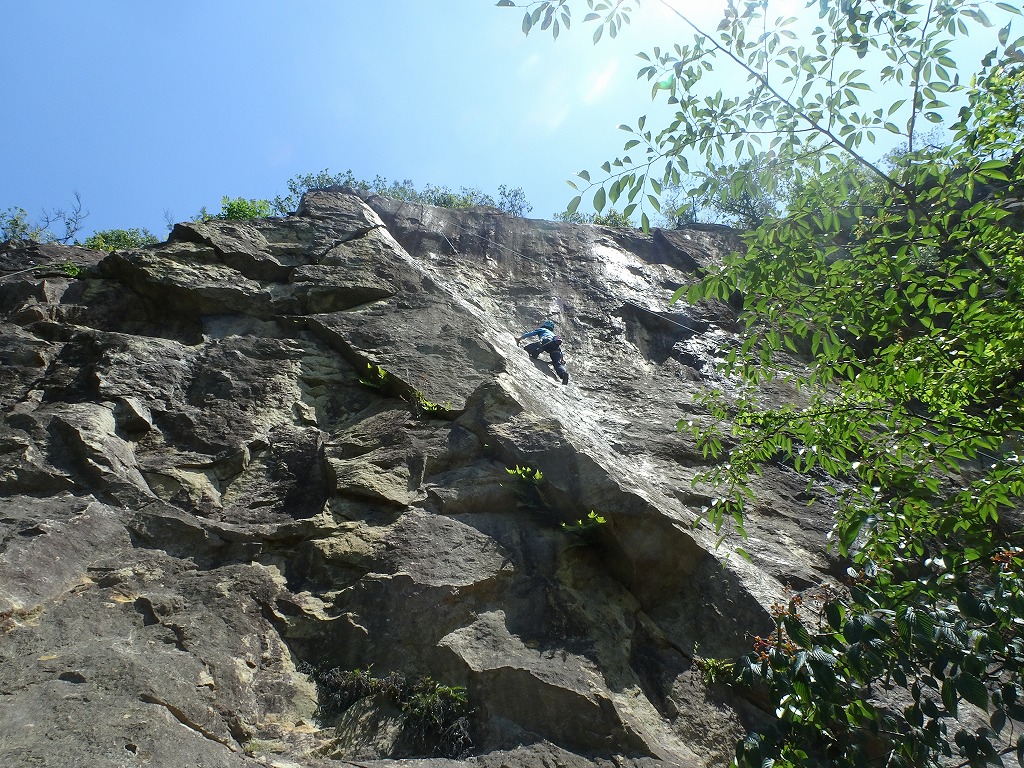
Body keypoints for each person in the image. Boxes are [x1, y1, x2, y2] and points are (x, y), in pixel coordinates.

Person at [518, 319, 569, 385]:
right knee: (556, 363)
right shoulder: (553, 335)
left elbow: (530, 334)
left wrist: (520, 338)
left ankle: (534, 354)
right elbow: (559, 350)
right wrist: (562, 359)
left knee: (528, 348)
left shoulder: (542, 329)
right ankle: (563, 374)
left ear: (544, 325)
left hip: (546, 342)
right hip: (556, 347)